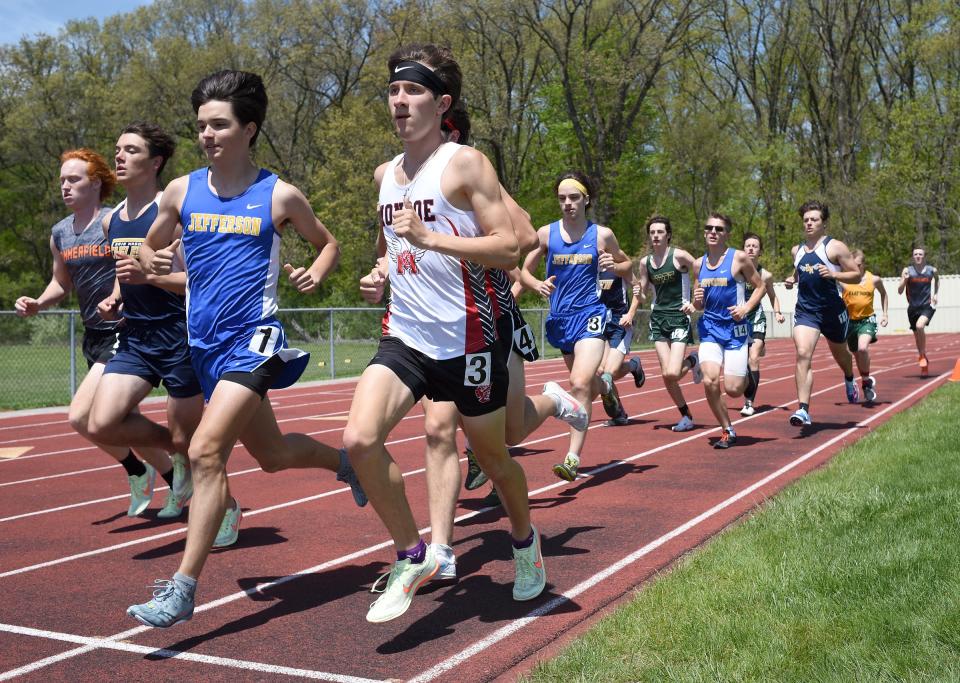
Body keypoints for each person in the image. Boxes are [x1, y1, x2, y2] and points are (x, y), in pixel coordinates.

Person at [127, 69, 365, 628]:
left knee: (207, 451)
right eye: (201, 126)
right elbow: (147, 242)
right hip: (204, 345)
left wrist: (316, 271)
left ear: (248, 128)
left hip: (254, 340)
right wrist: (145, 260)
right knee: (274, 456)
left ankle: (183, 588)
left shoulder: (278, 193)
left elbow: (326, 242)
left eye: (220, 125)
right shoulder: (181, 190)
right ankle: (346, 463)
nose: (208, 135)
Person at [345, 44, 548, 624]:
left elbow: (510, 245)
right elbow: (391, 249)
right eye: (393, 91)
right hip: (406, 333)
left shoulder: (465, 164)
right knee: (360, 440)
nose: (400, 101)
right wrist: (378, 273)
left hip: (470, 340)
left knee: (494, 456)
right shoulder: (386, 174)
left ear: (443, 103)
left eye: (412, 91)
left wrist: (434, 240)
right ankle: (414, 554)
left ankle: (525, 539)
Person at [14, 149, 171, 516]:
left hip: (123, 332)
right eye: (62, 181)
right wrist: (39, 302)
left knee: (80, 416)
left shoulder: (111, 221)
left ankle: (141, 469)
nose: (66, 187)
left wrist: (119, 300)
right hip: (92, 336)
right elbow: (60, 282)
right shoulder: (60, 233)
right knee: (120, 423)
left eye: (74, 180)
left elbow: (130, 265)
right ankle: (173, 479)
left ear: (96, 182)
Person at [86, 123, 203, 520]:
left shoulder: (171, 215)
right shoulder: (111, 220)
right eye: (118, 149)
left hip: (179, 336)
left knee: (193, 442)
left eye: (131, 151)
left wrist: (150, 277)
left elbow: (198, 283)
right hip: (135, 335)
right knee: (101, 422)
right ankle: (177, 456)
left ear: (155, 163)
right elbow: (125, 273)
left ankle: (223, 507)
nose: (119, 156)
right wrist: (115, 300)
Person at [520, 171, 633, 481]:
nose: (567, 203)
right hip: (560, 321)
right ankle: (607, 385)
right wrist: (536, 284)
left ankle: (572, 457)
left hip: (591, 315)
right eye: (562, 198)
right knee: (586, 385)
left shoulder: (602, 235)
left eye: (573, 197)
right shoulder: (546, 234)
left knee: (579, 382)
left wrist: (614, 265)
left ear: (586, 200)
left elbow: (627, 265)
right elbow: (523, 271)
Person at [783, 200, 861, 427]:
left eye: (814, 219)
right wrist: (792, 280)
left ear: (823, 223)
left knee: (842, 356)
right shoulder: (796, 250)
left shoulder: (835, 247)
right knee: (803, 353)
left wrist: (833, 275)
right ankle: (803, 410)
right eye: (806, 220)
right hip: (807, 311)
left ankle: (849, 377)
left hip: (832, 311)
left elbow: (855, 275)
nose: (809, 223)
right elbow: (800, 272)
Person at [691, 214, 765, 449]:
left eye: (719, 229)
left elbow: (761, 286)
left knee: (733, 390)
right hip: (710, 328)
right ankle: (727, 429)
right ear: (705, 233)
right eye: (709, 228)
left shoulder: (739, 258)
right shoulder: (698, 264)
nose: (713, 232)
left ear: (726, 234)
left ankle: (747, 376)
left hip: (735, 330)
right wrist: (697, 300)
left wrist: (745, 308)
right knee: (711, 381)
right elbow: (699, 304)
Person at [634, 216, 702, 431]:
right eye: (652, 232)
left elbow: (700, 266)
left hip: (679, 316)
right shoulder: (645, 263)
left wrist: (695, 301)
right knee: (667, 375)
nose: (655, 236)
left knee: (673, 372)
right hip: (658, 318)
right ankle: (686, 416)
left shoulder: (679, 256)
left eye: (660, 232)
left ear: (668, 235)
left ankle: (693, 360)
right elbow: (643, 292)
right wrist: (638, 293)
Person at [739, 232, 785, 416]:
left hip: (756, 318)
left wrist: (778, 312)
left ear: (760, 251)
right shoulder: (737, 270)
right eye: (747, 245)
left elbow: (773, 297)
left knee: (753, 357)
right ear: (743, 249)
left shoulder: (765, 275)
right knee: (742, 365)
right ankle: (759, 347)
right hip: (739, 319)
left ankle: (749, 402)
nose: (750, 248)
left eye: (754, 246)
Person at [596, 259, 643, 426]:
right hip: (600, 322)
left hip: (620, 323)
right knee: (601, 372)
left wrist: (630, 314)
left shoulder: (620, 266)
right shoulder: (590, 266)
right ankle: (619, 415)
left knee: (610, 372)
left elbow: (639, 292)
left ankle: (633, 366)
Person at [841, 249, 888, 401]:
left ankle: (866, 382)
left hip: (867, 320)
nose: (856, 268)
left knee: (863, 348)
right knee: (857, 355)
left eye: (859, 265)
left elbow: (884, 294)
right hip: (850, 323)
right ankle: (866, 381)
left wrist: (885, 314)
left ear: (864, 264)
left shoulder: (874, 279)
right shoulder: (843, 280)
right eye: (853, 266)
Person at [897, 246, 939, 377]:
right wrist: (904, 280)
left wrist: (936, 294)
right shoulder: (907, 271)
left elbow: (937, 280)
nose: (918, 256)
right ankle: (923, 358)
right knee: (917, 336)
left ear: (924, 256)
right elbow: (899, 291)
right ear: (913, 257)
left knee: (920, 326)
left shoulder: (932, 270)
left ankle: (923, 353)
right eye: (915, 254)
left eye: (920, 254)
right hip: (913, 308)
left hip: (926, 306)